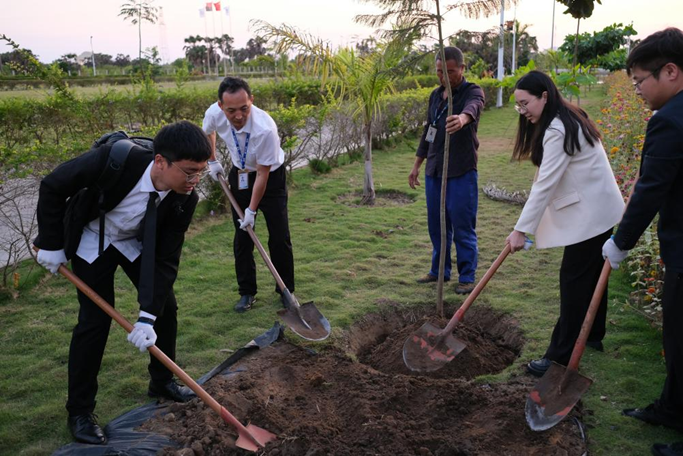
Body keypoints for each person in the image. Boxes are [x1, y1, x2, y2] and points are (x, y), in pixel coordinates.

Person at [34, 121, 212, 445]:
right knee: (94, 321)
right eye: (189, 172)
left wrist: (147, 317)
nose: (195, 180)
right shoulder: (114, 159)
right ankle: (80, 412)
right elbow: (53, 185)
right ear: (161, 161)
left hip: (134, 240)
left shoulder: (186, 198)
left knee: (165, 308)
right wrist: (50, 243)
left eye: (201, 171)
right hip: (93, 235)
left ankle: (162, 382)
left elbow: (165, 259)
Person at [504, 70, 625, 377]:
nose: (522, 111)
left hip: (592, 215)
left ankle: (559, 356)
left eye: (525, 103)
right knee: (592, 274)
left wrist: (521, 230)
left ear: (544, 96)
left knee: (574, 281)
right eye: (518, 105)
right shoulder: (568, 117)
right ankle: (592, 335)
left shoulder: (558, 129)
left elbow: (545, 184)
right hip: (600, 209)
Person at [601, 28, 683, 456]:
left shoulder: (670, 120)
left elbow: (650, 191)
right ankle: (672, 408)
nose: (636, 90)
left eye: (639, 81)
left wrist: (621, 241)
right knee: (676, 337)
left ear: (670, 71)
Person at [203, 76, 294, 312]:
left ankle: (285, 289)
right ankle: (247, 292)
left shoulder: (265, 129)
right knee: (242, 236)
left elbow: (262, 174)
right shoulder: (213, 113)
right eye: (231, 110)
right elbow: (208, 132)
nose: (238, 116)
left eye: (244, 108)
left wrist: (251, 211)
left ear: (251, 100)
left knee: (279, 235)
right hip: (240, 175)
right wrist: (212, 160)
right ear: (221, 106)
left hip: (270, 178)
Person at [409, 46, 485, 295]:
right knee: (437, 225)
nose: (444, 77)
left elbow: (474, 107)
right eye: (440, 72)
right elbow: (428, 131)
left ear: (462, 68)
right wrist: (417, 165)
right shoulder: (435, 95)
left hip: (461, 171)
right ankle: (439, 271)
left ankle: (467, 277)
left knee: (463, 226)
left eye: (450, 72)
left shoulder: (472, 91)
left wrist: (462, 119)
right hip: (434, 170)